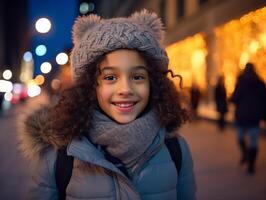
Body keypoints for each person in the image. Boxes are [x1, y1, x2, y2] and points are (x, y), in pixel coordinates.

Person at [18, 10, 196, 199]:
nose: (125, 89)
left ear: (153, 83)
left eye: (138, 77)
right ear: (90, 85)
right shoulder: (58, 156)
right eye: (110, 77)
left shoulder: (175, 150)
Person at [231, 62, 266, 174]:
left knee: (240, 137)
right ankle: (251, 165)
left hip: (242, 116)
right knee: (253, 141)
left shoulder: (241, 82)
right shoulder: (260, 83)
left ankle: (245, 154)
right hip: (255, 117)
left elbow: (235, 98)